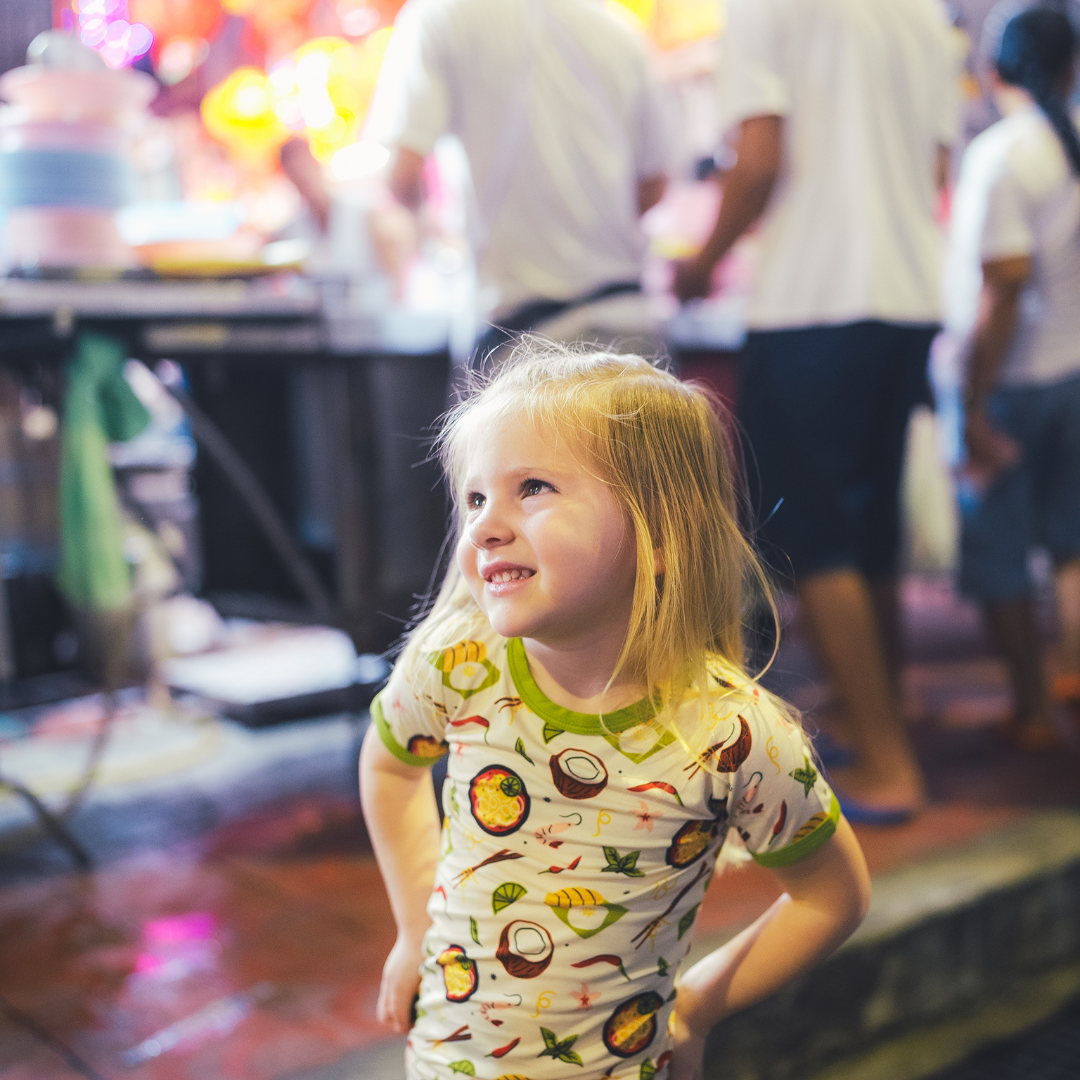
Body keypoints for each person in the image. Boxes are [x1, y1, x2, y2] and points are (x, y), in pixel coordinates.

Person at [359, 347, 871, 1079]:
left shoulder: (734, 736)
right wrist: (414, 928)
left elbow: (832, 895)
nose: (484, 527)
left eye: (532, 487)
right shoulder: (458, 663)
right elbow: (389, 764)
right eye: (474, 499)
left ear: (659, 533)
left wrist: (695, 1006)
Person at [673, 0, 961, 822]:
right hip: (907, 296)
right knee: (868, 536)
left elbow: (757, 160)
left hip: (812, 301)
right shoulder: (920, 16)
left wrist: (702, 263)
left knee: (817, 540)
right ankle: (881, 722)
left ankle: (887, 761)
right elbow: (937, 170)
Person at [363, 0, 670, 364]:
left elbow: (402, 173)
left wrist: (432, 231)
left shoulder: (442, 15)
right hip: (628, 322)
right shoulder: (621, 31)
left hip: (521, 339)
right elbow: (654, 184)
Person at [948, 4, 1080, 748]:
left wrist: (972, 401)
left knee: (997, 551)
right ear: (1069, 68)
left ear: (994, 69)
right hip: (1074, 372)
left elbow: (1000, 287)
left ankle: (1033, 710)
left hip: (1013, 381)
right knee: (1071, 545)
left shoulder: (1003, 154)